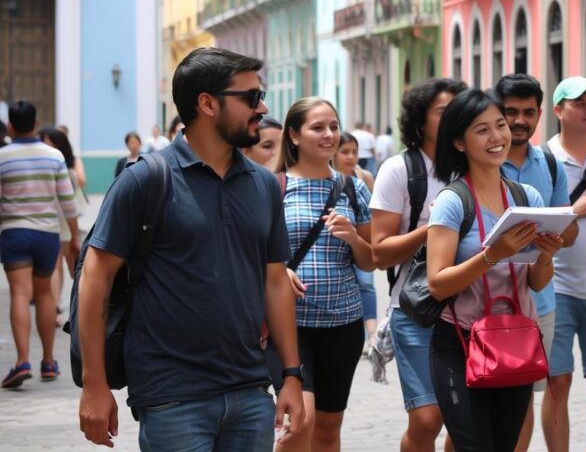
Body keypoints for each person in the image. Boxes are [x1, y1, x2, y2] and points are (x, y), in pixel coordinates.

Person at [77, 47, 305, 450]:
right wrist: (95, 385)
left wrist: (290, 374)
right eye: (251, 97)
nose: (263, 107)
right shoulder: (146, 179)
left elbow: (274, 281)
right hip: (172, 396)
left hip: (250, 392)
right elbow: (96, 277)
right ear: (207, 103)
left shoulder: (265, 185)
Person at [426, 88, 562, 451]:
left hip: (514, 339)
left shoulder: (526, 198)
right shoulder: (452, 201)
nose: (497, 137)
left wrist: (546, 256)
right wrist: (492, 255)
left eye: (499, 125)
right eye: (482, 130)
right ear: (459, 142)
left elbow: (536, 281)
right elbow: (437, 284)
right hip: (459, 340)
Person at [268, 97, 373, 452]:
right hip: (289, 325)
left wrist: (354, 238)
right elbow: (247, 252)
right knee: (301, 423)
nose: (329, 135)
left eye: (333, 126)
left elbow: (370, 261)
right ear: (294, 136)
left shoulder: (353, 187)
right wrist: (280, 270)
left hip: (342, 324)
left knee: (328, 428)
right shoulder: (272, 185)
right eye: (318, 127)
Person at [369, 78, 466, 452]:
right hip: (417, 308)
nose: (455, 118)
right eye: (444, 112)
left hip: (469, 309)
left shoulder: (474, 165)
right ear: (420, 120)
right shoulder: (399, 169)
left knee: (462, 420)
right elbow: (380, 253)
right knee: (427, 418)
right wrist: (434, 229)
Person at [533, 76, 586, 452]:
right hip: (557, 289)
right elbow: (531, 217)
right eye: (579, 103)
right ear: (558, 111)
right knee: (559, 380)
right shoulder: (544, 159)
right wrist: (574, 209)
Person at [493, 74, 579, 452]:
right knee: (472, 406)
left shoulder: (549, 163)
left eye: (528, 112)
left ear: (541, 114)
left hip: (538, 301)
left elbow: (570, 231)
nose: (520, 120)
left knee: (523, 398)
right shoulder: (481, 162)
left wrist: (554, 235)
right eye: (510, 112)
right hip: (483, 300)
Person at [0, 102, 80, 388]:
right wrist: (73, 238)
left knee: (21, 294)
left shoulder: (2, 157)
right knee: (45, 295)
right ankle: (48, 361)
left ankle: (22, 361)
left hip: (14, 233)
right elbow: (67, 201)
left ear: (10, 125)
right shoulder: (54, 156)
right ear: (36, 124)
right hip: (47, 234)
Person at [39, 126, 88, 327]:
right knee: (57, 265)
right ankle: (56, 307)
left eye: (51, 143)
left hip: (66, 217)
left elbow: (81, 182)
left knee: (71, 265)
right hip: (55, 217)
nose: (47, 146)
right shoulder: (48, 161)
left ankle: (74, 306)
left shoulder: (70, 161)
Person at [334, 131, 377, 356]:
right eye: (345, 152)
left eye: (354, 152)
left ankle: (372, 335)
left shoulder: (364, 177)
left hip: (358, 242)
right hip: (336, 249)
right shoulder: (325, 178)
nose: (351, 157)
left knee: (367, 284)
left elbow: (370, 216)